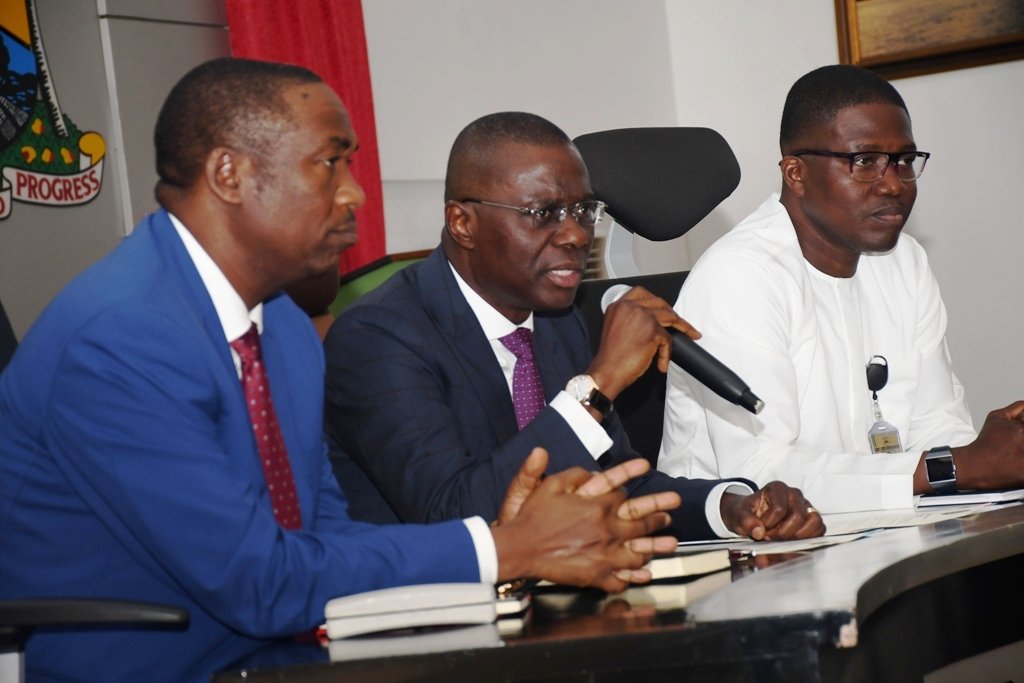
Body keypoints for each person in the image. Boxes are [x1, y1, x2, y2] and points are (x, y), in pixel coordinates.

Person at [0, 58, 683, 682]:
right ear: (229, 175)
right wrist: (502, 549)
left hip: (297, 656)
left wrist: (511, 553)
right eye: (330, 164)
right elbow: (259, 580)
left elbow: (330, 535)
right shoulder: (119, 339)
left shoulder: (287, 331)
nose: (355, 194)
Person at [323, 111, 824, 542]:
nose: (574, 234)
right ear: (462, 223)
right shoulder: (379, 337)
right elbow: (455, 516)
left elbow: (617, 484)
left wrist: (731, 507)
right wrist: (599, 384)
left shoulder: (557, 321)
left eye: (583, 210)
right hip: (432, 626)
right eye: (542, 213)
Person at [658, 64, 1024, 513]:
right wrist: (953, 468)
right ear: (795, 173)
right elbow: (759, 475)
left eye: (904, 161)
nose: (893, 184)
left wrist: (993, 459)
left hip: (881, 527)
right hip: (750, 551)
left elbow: (937, 425)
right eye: (864, 161)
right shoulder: (739, 276)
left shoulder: (904, 261)